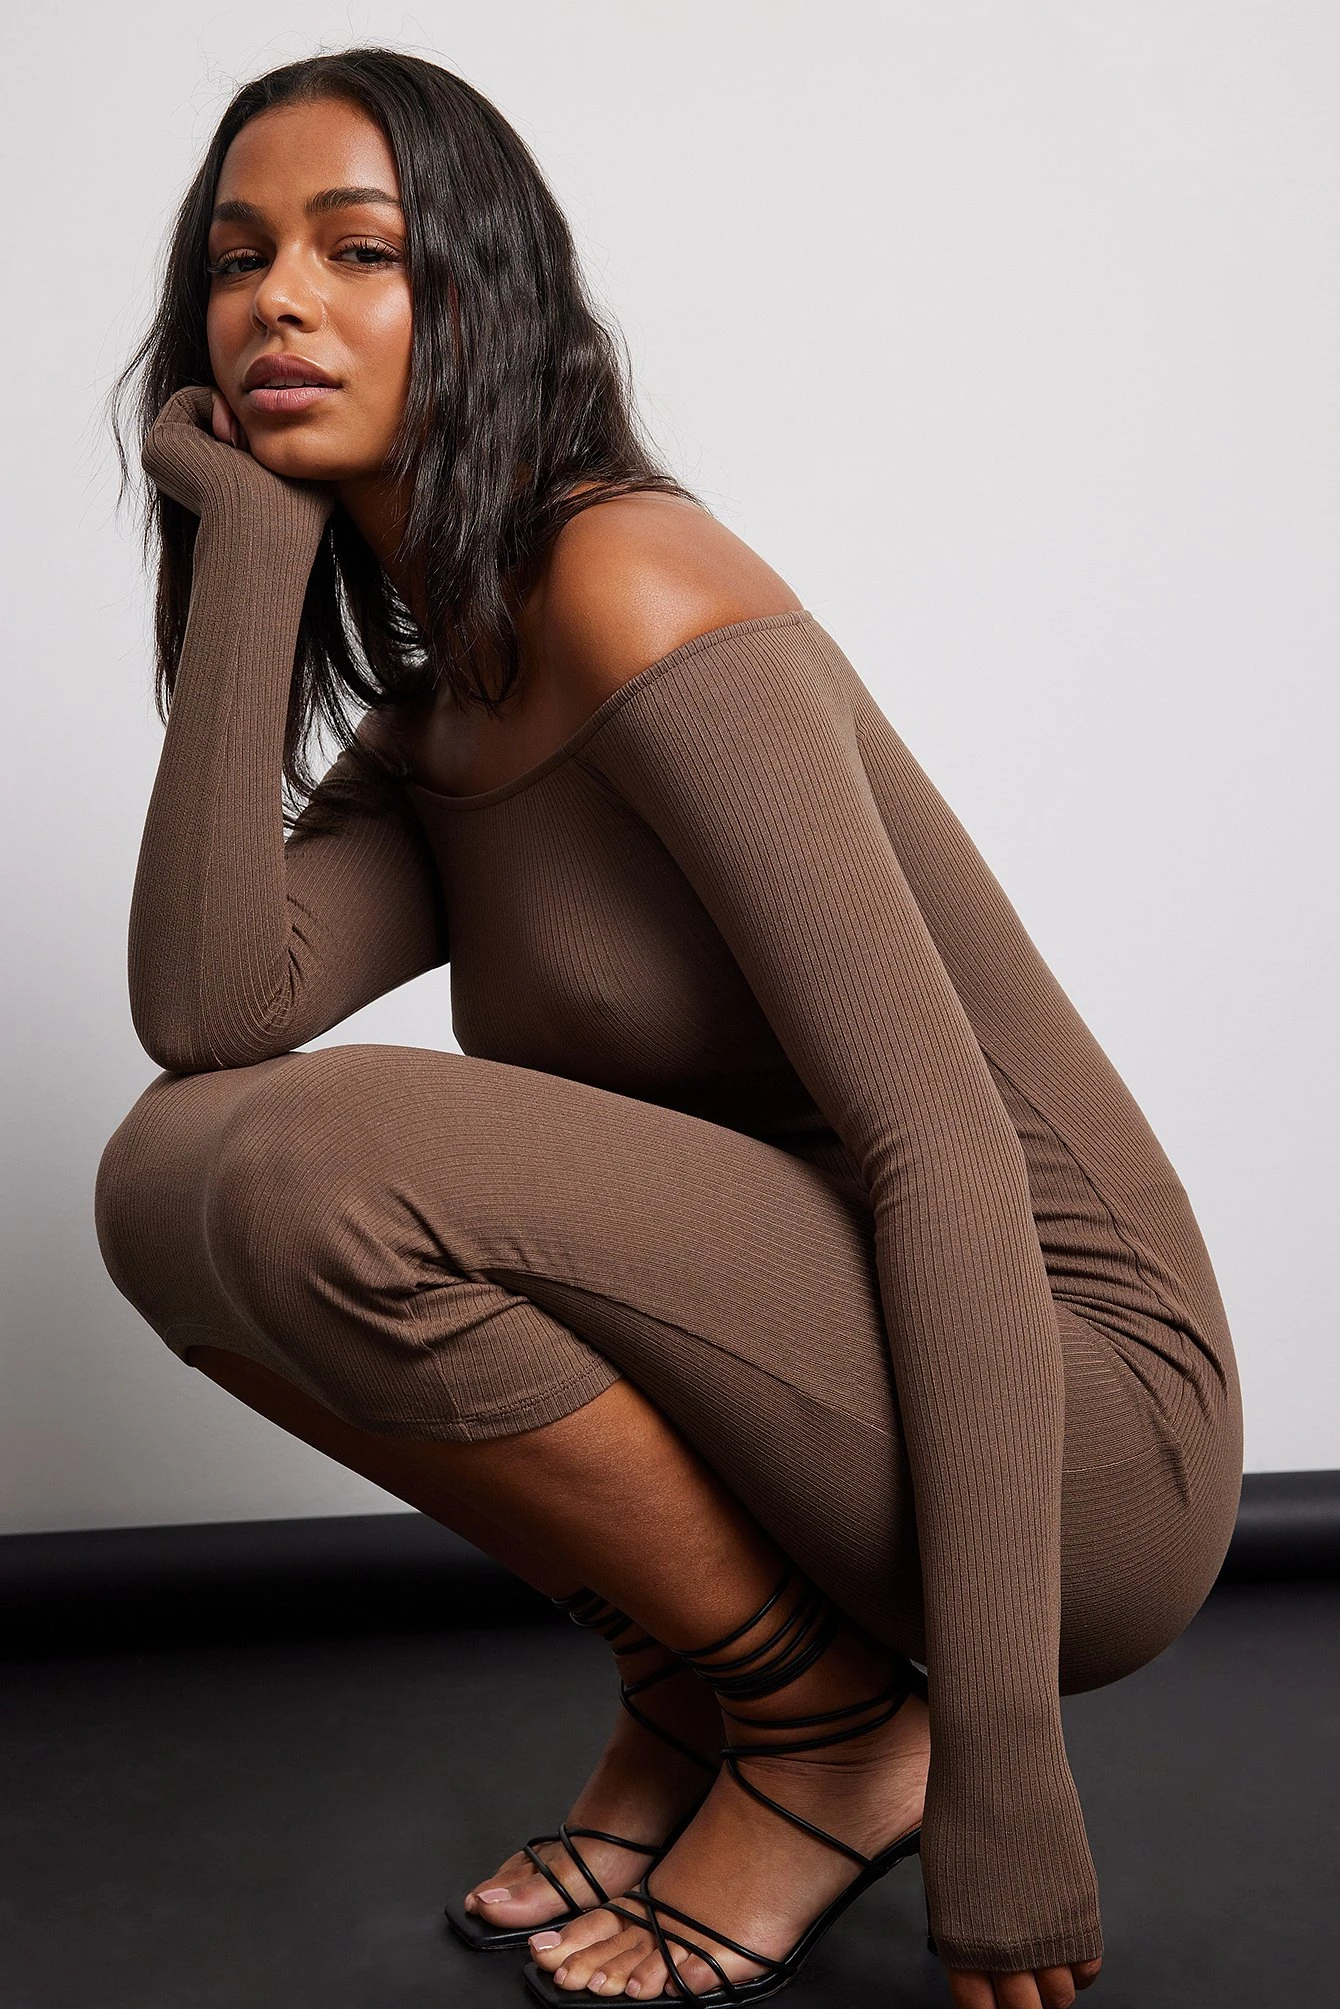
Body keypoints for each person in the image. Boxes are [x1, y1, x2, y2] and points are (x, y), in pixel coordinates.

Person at [93, 45, 1242, 2009]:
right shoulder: (450, 699)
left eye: (359, 251)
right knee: (171, 1180)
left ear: (485, 297)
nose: (277, 300)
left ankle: (844, 1739)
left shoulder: (634, 584)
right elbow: (207, 1012)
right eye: (237, 256)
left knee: (299, 1161)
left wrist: (1006, 1769)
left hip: (1070, 1437)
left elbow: (943, 1148)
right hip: (825, 1379)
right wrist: (253, 564)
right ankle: (724, 1696)